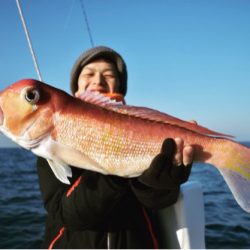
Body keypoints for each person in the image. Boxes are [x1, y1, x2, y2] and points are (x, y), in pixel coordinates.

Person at [37, 46, 194, 249]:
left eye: (108, 75)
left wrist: (163, 183)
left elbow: (159, 202)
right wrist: (114, 168)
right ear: (75, 87)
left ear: (120, 85)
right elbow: (65, 214)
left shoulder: (141, 133)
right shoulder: (51, 141)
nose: (98, 81)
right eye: (89, 74)